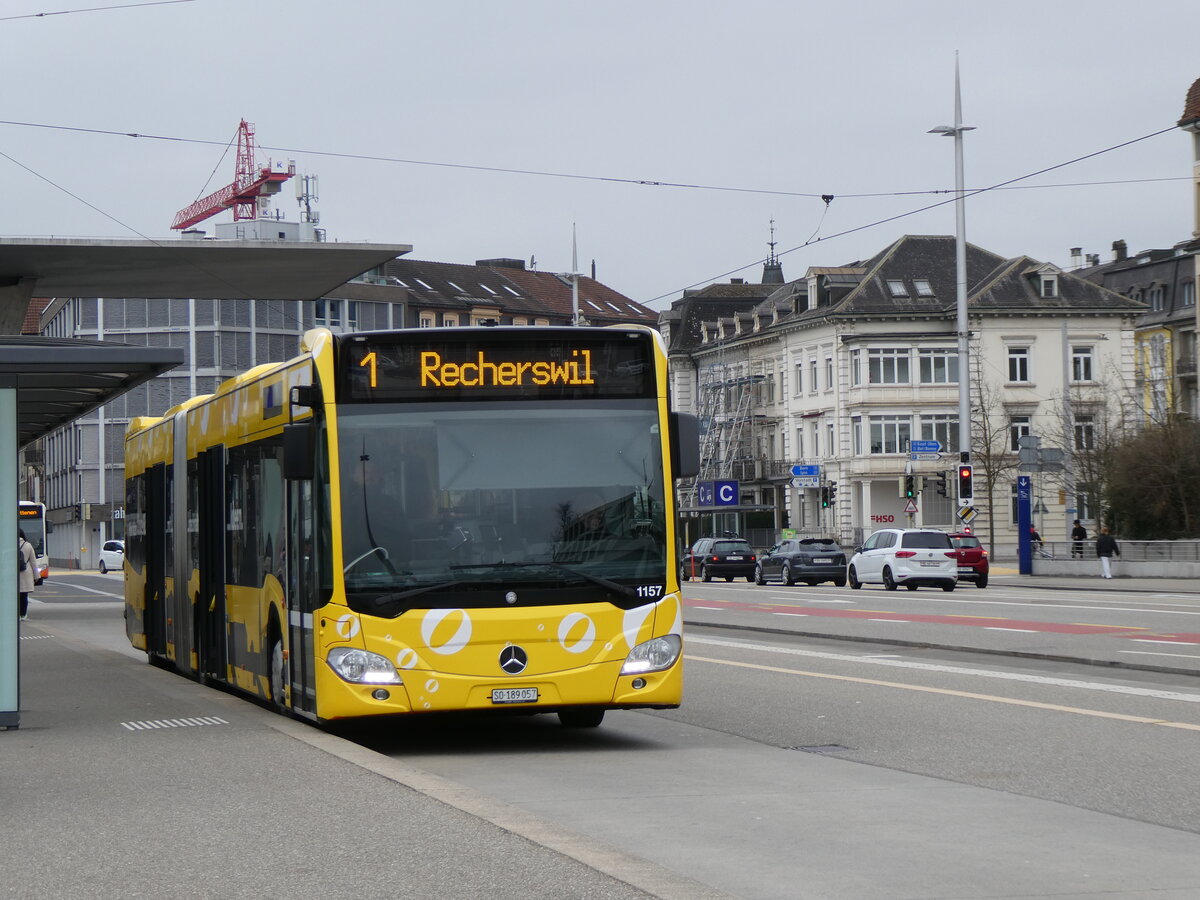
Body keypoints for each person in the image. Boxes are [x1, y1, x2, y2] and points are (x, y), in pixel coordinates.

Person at [17, 529, 36, 620]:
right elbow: (33, 562)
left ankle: (15, 613)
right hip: (26, 573)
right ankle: (23, 615)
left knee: (13, 596)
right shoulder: (28, 545)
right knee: (24, 596)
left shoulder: (8, 544)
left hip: (12, 573)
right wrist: (36, 575)